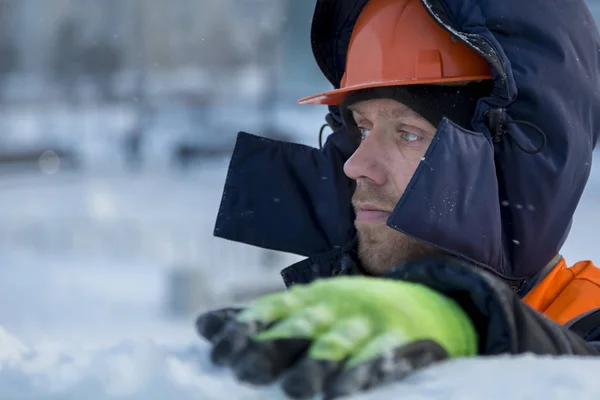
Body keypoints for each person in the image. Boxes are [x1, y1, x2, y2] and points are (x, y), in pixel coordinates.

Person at [197, 0, 600, 398]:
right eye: (362, 127)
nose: (355, 166)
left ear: (513, 164)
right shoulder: (336, 345)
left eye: (408, 132)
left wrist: (467, 320)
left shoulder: (588, 322)